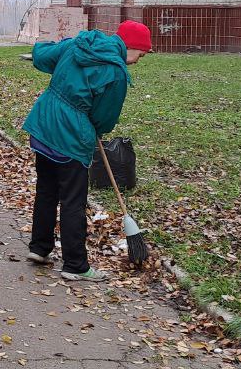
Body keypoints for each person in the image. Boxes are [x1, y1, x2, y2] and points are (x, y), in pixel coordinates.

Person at [22, 20, 151, 282]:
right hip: (70, 134)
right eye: (141, 54)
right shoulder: (115, 72)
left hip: (44, 123)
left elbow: (42, 56)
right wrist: (94, 129)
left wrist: (51, 52)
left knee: (46, 190)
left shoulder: (78, 44)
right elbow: (104, 118)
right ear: (130, 46)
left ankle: (39, 248)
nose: (138, 61)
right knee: (73, 199)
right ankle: (75, 265)